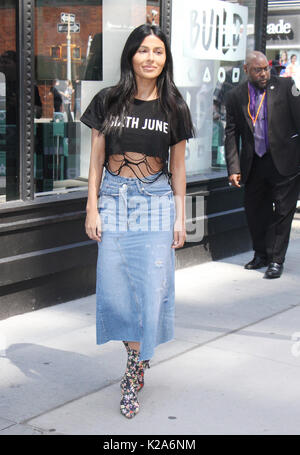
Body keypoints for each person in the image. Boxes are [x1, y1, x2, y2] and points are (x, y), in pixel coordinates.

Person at [80, 24, 193, 418]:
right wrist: (91, 207)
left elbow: (178, 168)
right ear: (131, 55)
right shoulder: (108, 100)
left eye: (158, 51)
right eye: (143, 50)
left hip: (156, 203)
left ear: (166, 59)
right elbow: (95, 162)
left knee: (149, 289)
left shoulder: (174, 106)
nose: (150, 58)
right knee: (115, 289)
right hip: (113, 199)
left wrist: (181, 218)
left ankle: (132, 372)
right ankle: (137, 356)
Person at [225, 50, 300, 279]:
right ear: (247, 70)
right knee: (256, 212)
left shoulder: (287, 87)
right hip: (254, 163)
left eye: (266, 68)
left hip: (285, 162)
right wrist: (234, 167)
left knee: (283, 212)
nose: (264, 73)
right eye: (258, 70)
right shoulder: (235, 95)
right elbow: (231, 132)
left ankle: (276, 260)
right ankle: (261, 254)